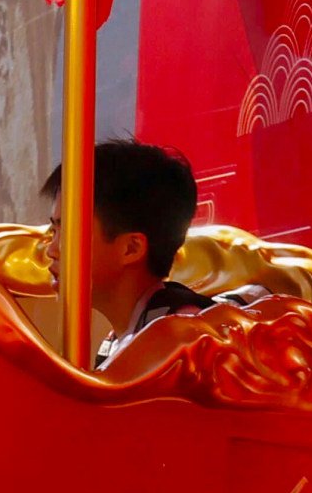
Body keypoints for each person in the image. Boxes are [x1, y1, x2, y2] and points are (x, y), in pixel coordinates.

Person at [51, 139, 221, 367]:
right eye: (53, 231)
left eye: (68, 232)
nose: (51, 250)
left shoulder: (178, 341)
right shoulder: (123, 339)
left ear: (131, 248)